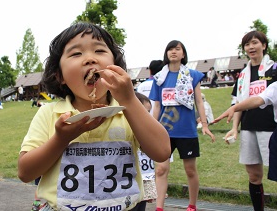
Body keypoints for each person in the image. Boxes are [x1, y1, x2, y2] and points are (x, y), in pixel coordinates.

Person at [18, 22, 170, 210]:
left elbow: (162, 151)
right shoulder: (49, 114)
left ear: (114, 66)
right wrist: (60, 139)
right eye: (76, 53)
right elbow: (25, 172)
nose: (90, 59)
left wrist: (130, 100)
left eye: (99, 51)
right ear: (60, 76)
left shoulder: (127, 110)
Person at [149, 40, 215, 211]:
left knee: (190, 170)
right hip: (165, 132)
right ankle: (159, 207)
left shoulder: (192, 75)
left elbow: (199, 101)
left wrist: (205, 124)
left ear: (183, 54)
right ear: (166, 54)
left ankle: (192, 205)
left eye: (177, 49)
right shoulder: (159, 78)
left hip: (187, 132)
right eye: (170, 49)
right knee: (161, 170)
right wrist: (152, 129)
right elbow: (156, 106)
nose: (173, 52)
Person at [223, 30, 276, 211]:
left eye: (254, 43)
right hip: (249, 128)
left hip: (271, 128)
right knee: (254, 176)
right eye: (247, 44)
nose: (251, 47)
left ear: (264, 45)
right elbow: (238, 103)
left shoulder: (274, 69)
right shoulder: (243, 75)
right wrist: (235, 128)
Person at [213, 81, 277, 182]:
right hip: (250, 126)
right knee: (254, 174)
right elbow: (257, 99)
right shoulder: (274, 86)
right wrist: (234, 108)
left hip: (268, 127)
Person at [133, 92, 157, 210]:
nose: (147, 116)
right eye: (144, 112)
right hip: (131, 181)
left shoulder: (147, 129)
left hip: (145, 179)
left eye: (148, 112)